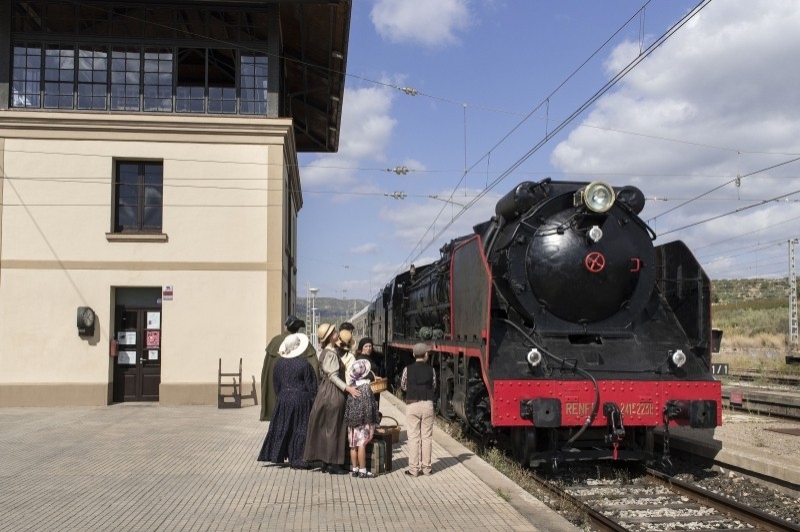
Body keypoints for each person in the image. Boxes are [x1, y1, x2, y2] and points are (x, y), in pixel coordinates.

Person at [303, 323, 361, 474]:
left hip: (326, 392)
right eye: (334, 332)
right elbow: (333, 376)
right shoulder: (330, 353)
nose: (337, 333)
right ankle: (333, 463)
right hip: (333, 393)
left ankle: (326, 462)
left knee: (326, 427)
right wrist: (348, 388)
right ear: (330, 337)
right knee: (335, 427)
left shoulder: (329, 351)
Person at [257, 333, 318, 469]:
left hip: (283, 399)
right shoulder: (304, 364)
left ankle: (279, 455)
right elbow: (312, 386)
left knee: (284, 428)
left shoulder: (278, 364)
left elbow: (276, 385)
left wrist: (282, 396)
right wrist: (313, 401)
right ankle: (298, 459)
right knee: (300, 429)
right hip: (301, 400)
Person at [260, 315, 318, 422]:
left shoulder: (275, 342)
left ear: (285, 327)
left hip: (281, 398)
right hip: (301, 401)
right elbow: (314, 373)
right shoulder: (304, 344)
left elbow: (266, 373)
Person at [401, 343, 437, 477]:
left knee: (414, 437)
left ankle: (414, 469)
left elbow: (403, 386)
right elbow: (433, 385)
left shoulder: (407, 369)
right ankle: (427, 468)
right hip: (427, 403)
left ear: (414, 355)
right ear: (426, 355)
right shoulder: (431, 370)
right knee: (427, 437)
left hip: (412, 403)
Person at [343, 359, 380, 478]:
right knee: (362, 445)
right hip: (363, 421)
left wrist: (347, 421)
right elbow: (370, 405)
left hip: (352, 422)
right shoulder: (366, 387)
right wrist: (372, 422)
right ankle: (363, 470)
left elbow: (348, 406)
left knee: (353, 445)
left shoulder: (351, 388)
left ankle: (354, 469)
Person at [356, 337, 382, 408]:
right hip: (367, 390)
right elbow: (359, 375)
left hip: (373, 388)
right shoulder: (360, 359)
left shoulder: (369, 357)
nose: (368, 348)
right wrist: (373, 376)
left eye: (370, 346)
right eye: (366, 346)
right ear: (361, 347)